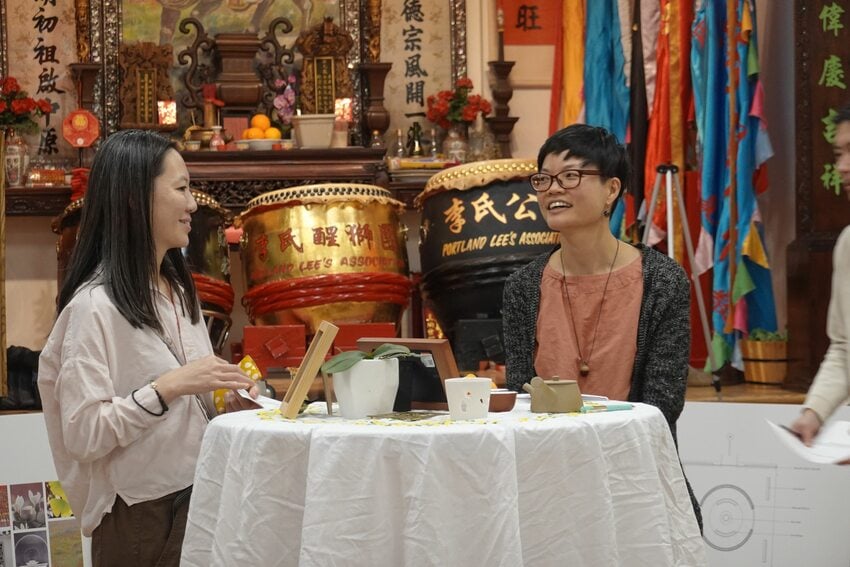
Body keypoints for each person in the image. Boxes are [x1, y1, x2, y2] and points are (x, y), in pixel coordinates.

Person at [38, 130, 258, 566]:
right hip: (141, 518)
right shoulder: (93, 307)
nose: (193, 204)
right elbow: (83, 435)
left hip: (199, 495)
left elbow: (191, 396)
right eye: (181, 189)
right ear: (137, 198)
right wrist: (165, 388)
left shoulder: (179, 291)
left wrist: (226, 396)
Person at [502, 123, 702, 529]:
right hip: (545, 478)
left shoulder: (662, 280)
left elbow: (662, 405)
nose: (553, 189)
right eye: (544, 178)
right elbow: (520, 391)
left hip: (634, 476)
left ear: (611, 190)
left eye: (571, 176)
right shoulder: (523, 286)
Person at [790, 104, 850, 446]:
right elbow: (844, 347)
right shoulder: (847, 245)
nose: (842, 167)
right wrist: (813, 412)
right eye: (839, 153)